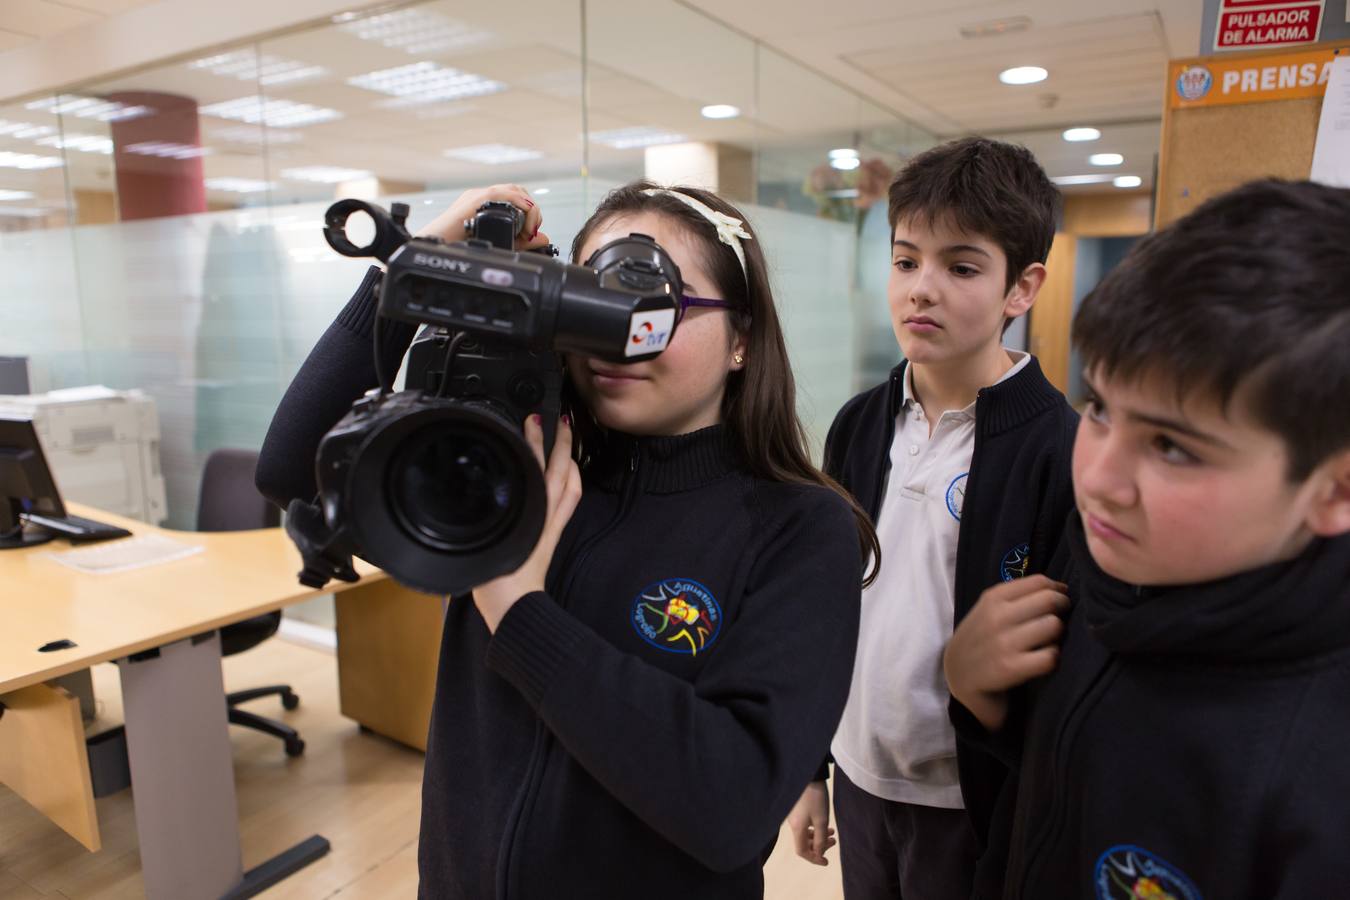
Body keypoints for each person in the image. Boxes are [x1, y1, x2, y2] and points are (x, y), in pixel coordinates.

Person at [256, 180, 879, 899]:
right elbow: (291, 472)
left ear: (741, 339)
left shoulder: (799, 530)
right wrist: (412, 264)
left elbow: (733, 809)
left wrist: (520, 612)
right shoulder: (509, 469)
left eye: (654, 307)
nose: (617, 339)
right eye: (595, 302)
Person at [944, 179, 1350, 898]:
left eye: (1172, 447)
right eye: (1099, 406)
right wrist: (980, 695)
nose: (1099, 477)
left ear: (1335, 489)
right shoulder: (1099, 567)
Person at [786, 138, 1078, 899]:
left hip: (969, 799)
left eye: (961, 267)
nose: (922, 289)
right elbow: (827, 608)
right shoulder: (858, 424)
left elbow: (1060, 669)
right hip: (858, 774)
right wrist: (811, 767)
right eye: (906, 260)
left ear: (1022, 288)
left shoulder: (1059, 450)